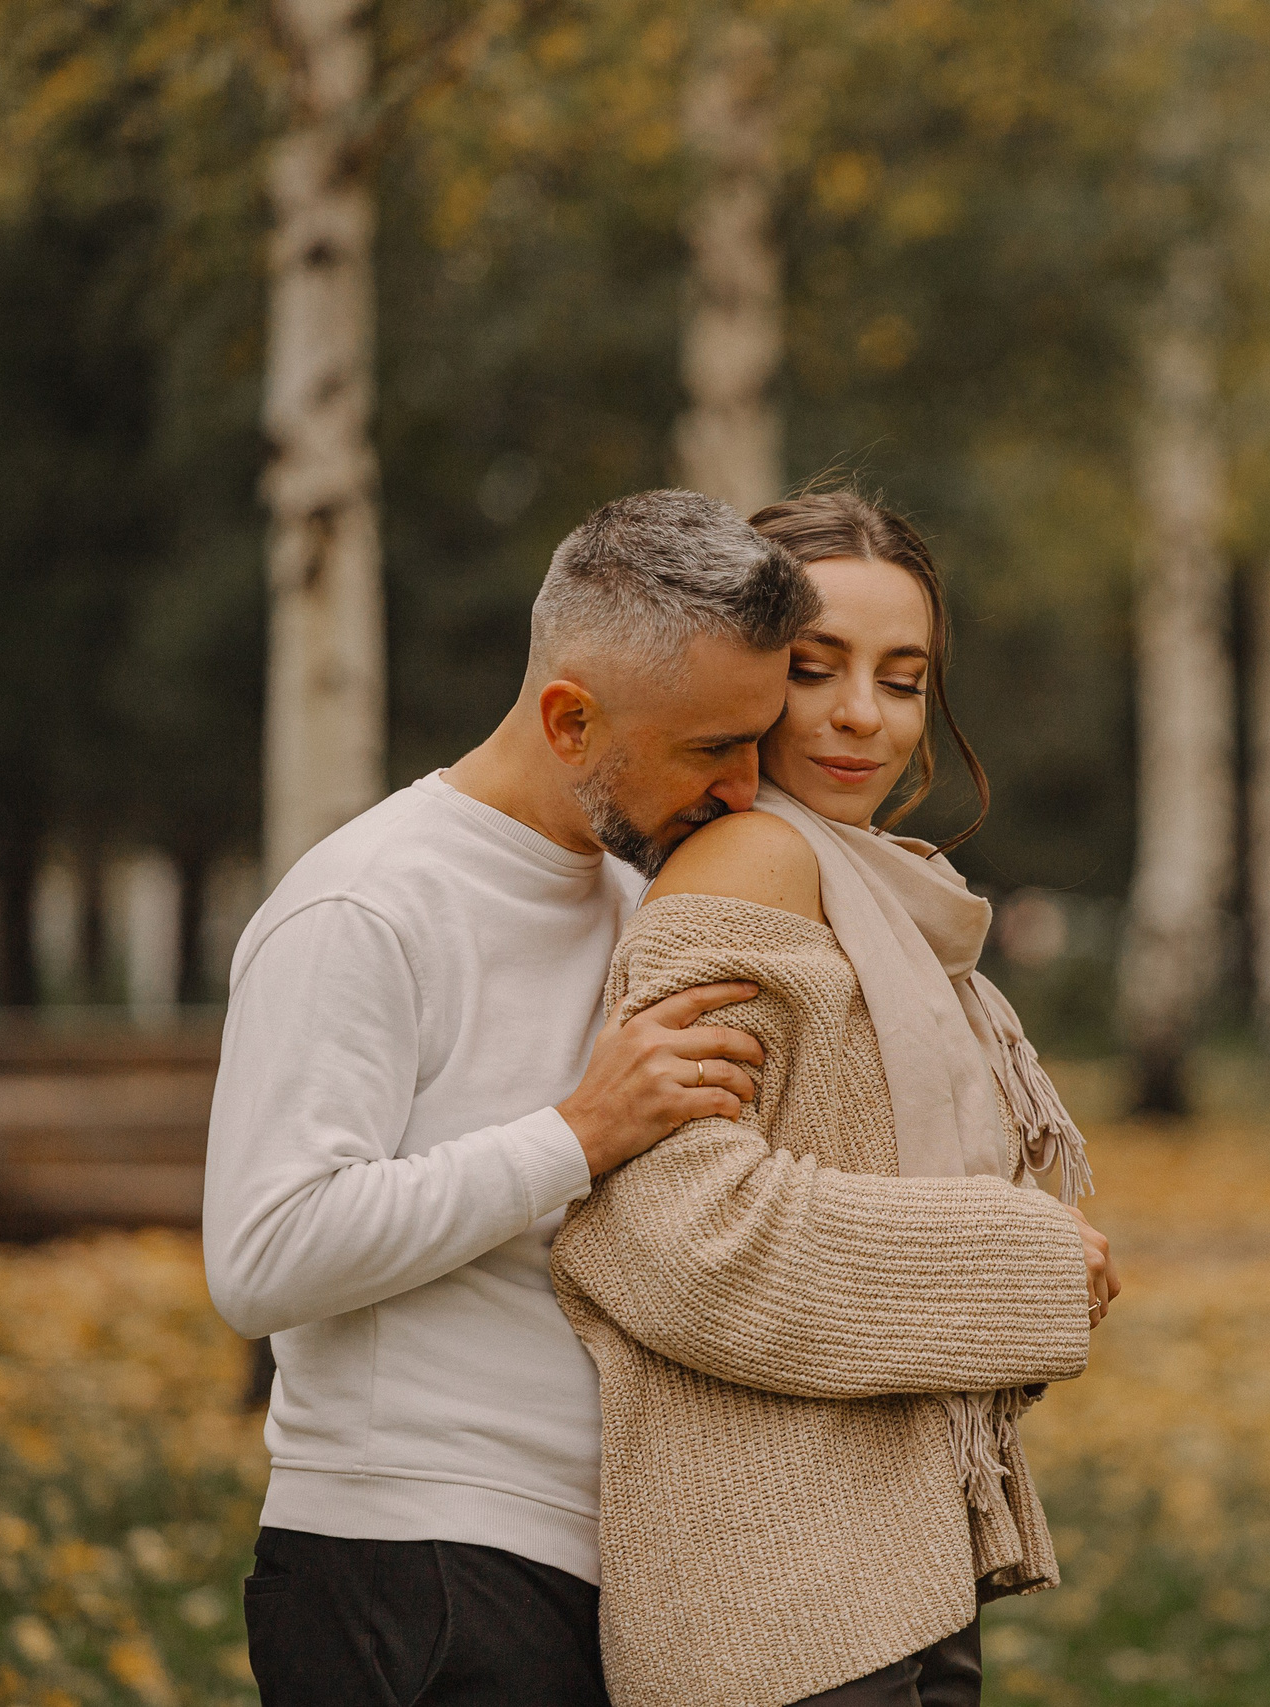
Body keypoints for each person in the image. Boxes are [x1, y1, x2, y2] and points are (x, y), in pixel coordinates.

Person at [204, 490, 822, 1705]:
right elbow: (262, 1255)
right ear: (570, 717)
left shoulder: (641, 901)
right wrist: (575, 1134)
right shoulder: (366, 905)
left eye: (758, 740)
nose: (747, 789)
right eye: (711, 749)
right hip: (412, 1572)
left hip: (603, 1573)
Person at [550, 490, 1121, 1707]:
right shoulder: (752, 861)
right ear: (749, 673)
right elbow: (678, 1235)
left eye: (903, 679)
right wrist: (1018, 1261)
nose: (864, 714)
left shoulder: (882, 894)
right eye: (817, 670)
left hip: (879, 1559)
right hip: (775, 1603)